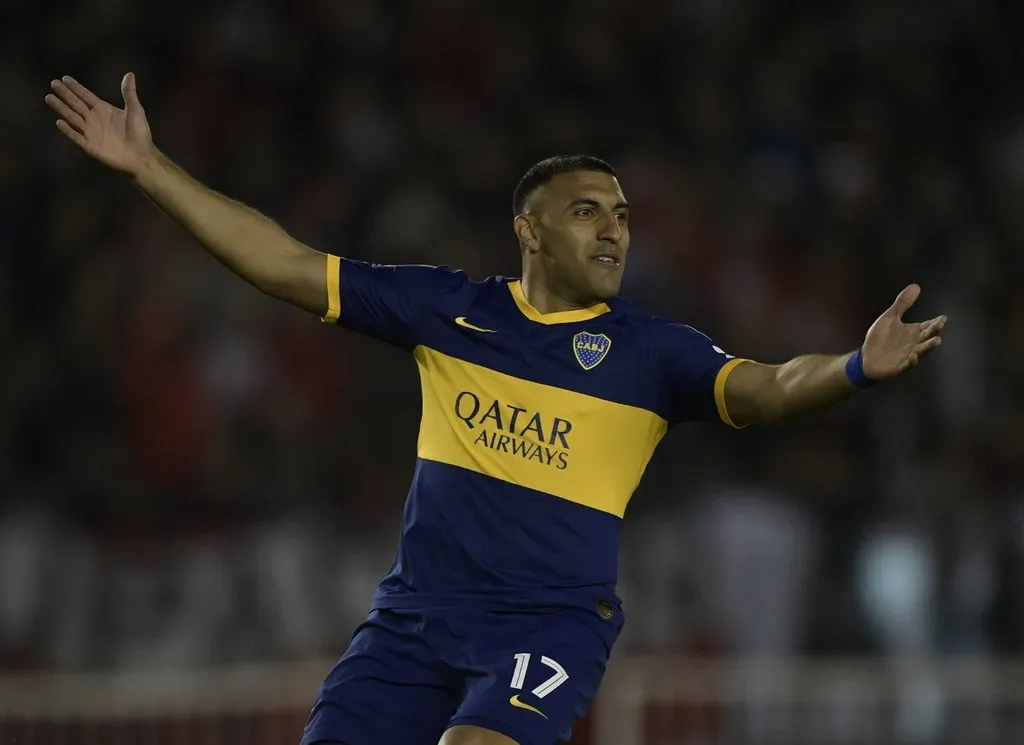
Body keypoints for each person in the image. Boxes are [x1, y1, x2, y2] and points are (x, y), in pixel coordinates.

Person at [45, 73, 946, 745]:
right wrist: (150, 167)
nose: (614, 229)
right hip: (413, 619)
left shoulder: (651, 353)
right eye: (587, 211)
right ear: (529, 230)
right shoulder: (448, 310)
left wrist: (855, 368)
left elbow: (769, 387)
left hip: (549, 624)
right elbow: (283, 264)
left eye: (622, 214)